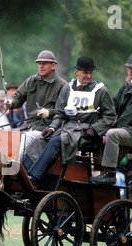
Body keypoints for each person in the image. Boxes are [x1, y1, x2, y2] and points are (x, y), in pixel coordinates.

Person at [26, 56, 116, 188]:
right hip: (67, 129)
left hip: (85, 133)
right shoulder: (68, 89)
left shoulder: (101, 91)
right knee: (40, 139)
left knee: (55, 142)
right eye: (85, 73)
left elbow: (110, 115)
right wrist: (51, 128)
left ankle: (34, 178)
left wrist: (95, 128)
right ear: (77, 72)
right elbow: (60, 113)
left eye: (91, 73)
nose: (89, 76)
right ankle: (26, 177)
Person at [89, 53, 132, 185]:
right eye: (128, 68)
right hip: (129, 130)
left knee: (112, 134)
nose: (130, 71)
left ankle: (110, 175)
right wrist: (95, 122)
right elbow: (111, 106)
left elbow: (130, 116)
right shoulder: (127, 85)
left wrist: (105, 129)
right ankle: (103, 175)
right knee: (103, 138)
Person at [5, 50, 67, 163]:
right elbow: (18, 97)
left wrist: (49, 112)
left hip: (47, 128)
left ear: (53, 65)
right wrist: (11, 102)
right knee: (6, 137)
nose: (41, 66)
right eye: (39, 64)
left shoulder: (62, 85)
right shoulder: (31, 81)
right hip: (28, 125)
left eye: (45, 63)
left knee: (25, 139)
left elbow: (64, 111)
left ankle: (13, 169)